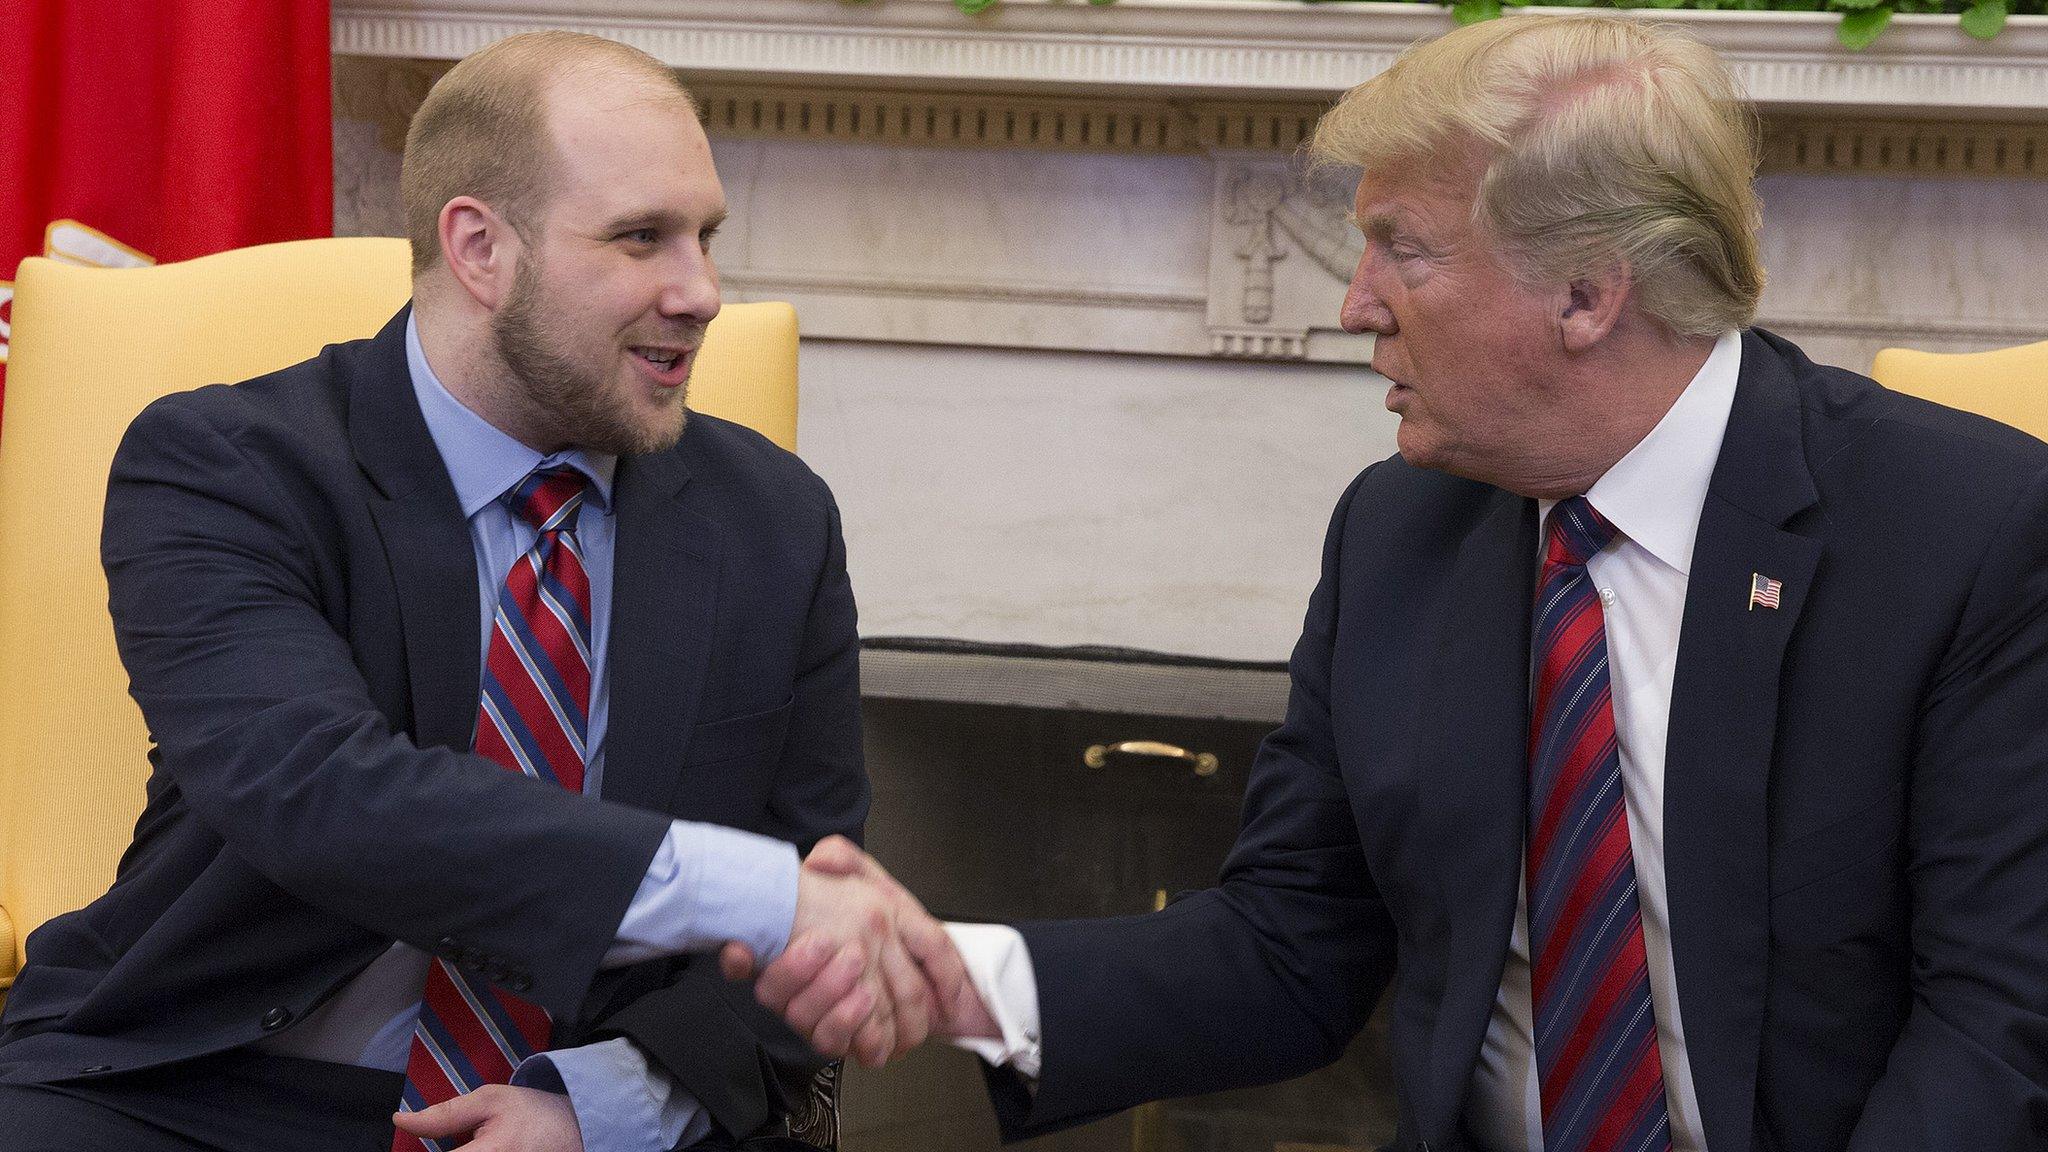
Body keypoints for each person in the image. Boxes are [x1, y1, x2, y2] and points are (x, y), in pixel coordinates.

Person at [740, 14, 2048, 1152]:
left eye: (1401, 250)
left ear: (1585, 294)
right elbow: (1287, 946)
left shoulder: (1962, 532)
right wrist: (962, 977)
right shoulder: (1404, 534)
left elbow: (1997, 1023)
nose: (1357, 302)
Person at [0, 31, 958, 1152]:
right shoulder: (227, 466)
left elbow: (808, 944)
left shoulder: (773, 520)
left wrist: (599, 1110)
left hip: (584, 1098)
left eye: (705, 238)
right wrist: (745, 889)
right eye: (641, 237)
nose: (699, 291)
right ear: (477, 246)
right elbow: (319, 793)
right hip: (199, 1087)